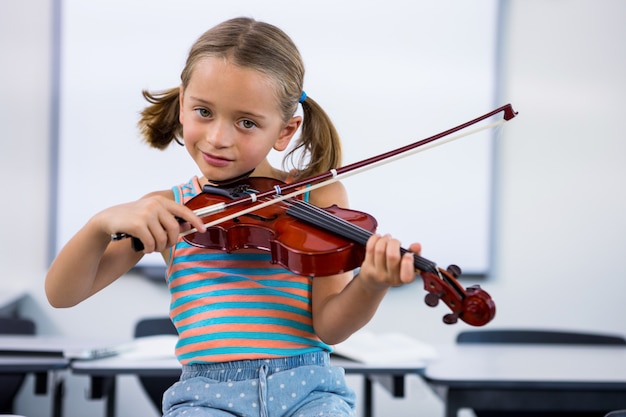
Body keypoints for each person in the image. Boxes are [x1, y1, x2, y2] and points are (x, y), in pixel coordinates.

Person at [45, 17, 421, 417]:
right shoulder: (168, 211)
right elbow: (63, 294)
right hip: (206, 398)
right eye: (204, 111)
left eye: (246, 122)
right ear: (182, 102)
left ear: (285, 130)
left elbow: (330, 327)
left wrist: (372, 284)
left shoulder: (317, 197)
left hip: (309, 393)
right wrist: (101, 223)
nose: (218, 138)